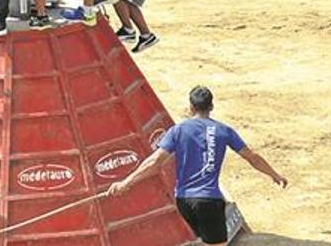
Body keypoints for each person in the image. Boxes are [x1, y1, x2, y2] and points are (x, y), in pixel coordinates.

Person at [107, 86, 287, 246]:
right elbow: (252, 157)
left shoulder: (178, 130)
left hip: (184, 201)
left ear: (191, 108)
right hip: (208, 200)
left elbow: (155, 162)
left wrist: (126, 182)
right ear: (211, 107)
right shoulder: (224, 131)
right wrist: (274, 175)